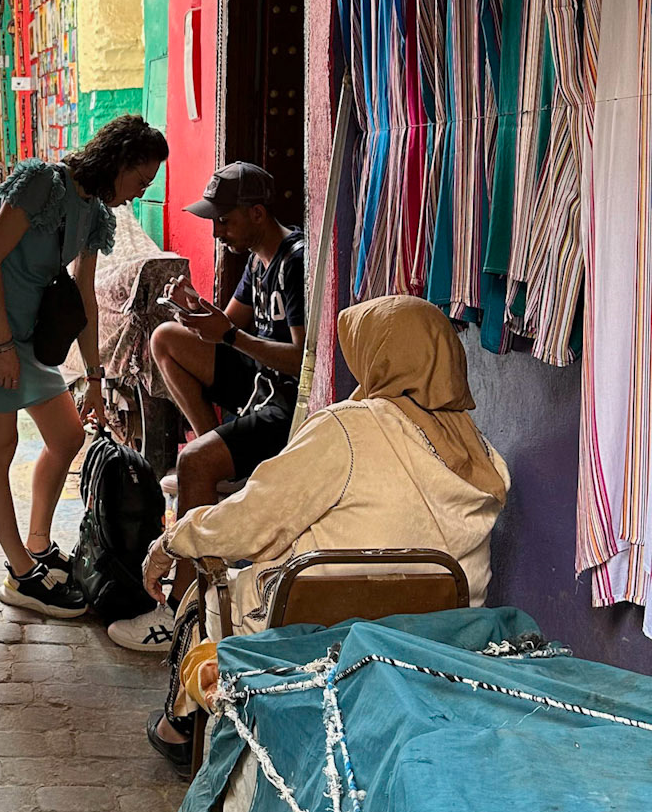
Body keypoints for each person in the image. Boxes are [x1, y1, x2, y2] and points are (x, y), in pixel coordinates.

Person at [140, 293, 511, 769]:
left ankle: (182, 728)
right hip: (431, 640)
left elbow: (251, 522)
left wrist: (171, 540)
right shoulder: (484, 455)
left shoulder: (348, 429)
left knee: (208, 594)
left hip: (317, 633)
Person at [0, 117, 168, 618]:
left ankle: (38, 544)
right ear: (120, 162)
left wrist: (95, 379)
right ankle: (21, 574)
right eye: (141, 180)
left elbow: (83, 294)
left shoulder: (95, 213)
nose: (139, 193)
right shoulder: (44, 181)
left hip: (31, 329)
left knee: (66, 437)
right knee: (0, 445)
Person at [151, 162, 306, 517]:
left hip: (285, 401)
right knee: (165, 339)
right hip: (258, 380)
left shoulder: (294, 261)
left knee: (191, 460)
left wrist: (232, 336)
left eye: (224, 221)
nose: (217, 232)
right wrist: (193, 304)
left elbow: (301, 361)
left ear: (256, 214)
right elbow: (226, 325)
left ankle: (217, 461)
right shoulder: (256, 262)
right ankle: (218, 450)